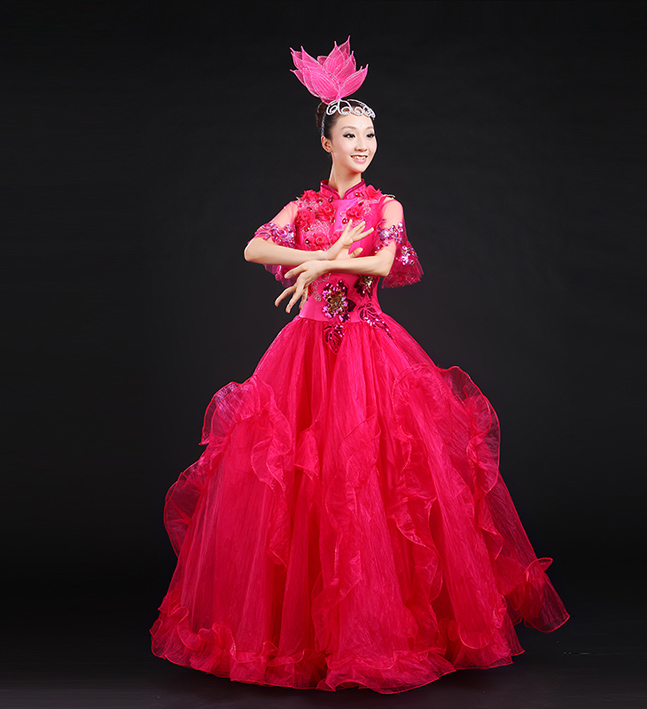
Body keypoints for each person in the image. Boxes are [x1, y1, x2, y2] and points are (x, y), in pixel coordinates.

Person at [150, 39, 569, 694]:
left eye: (370, 135)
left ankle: (379, 634)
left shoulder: (385, 208)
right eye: (350, 134)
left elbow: (381, 265)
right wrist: (312, 257)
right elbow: (254, 247)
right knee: (297, 485)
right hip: (305, 355)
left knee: (373, 485)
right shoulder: (304, 207)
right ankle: (304, 639)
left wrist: (319, 264)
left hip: (370, 355)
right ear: (326, 141)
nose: (363, 144)